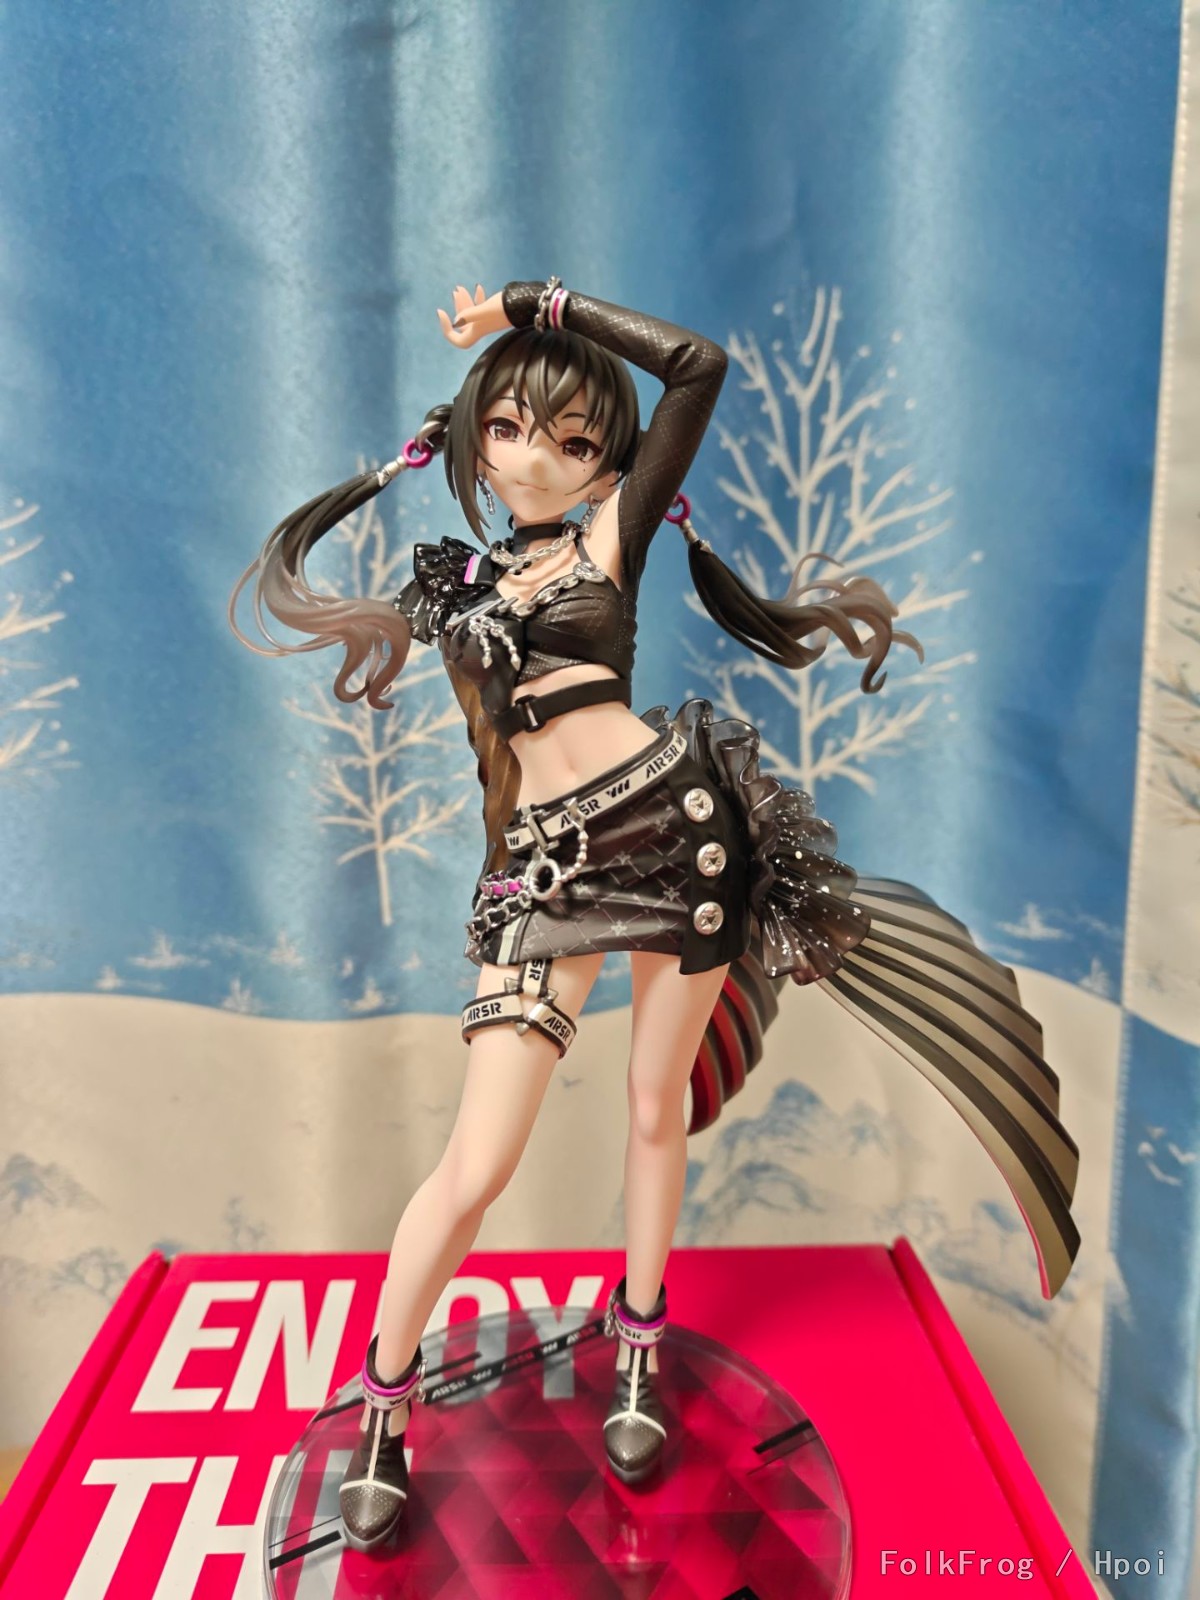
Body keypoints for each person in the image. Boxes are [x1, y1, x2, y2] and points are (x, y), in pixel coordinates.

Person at [231, 277, 1080, 1553]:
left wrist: (532, 302)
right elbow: (477, 732)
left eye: (573, 440)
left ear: (610, 460)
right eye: (508, 429)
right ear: (472, 438)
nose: (535, 459)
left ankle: (637, 1343)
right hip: (548, 870)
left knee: (650, 1103)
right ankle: (383, 1408)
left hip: (681, 834)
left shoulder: (611, 537)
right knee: (476, 1166)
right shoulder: (456, 580)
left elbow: (699, 366)